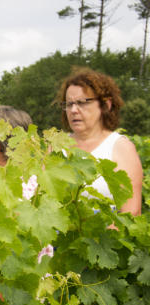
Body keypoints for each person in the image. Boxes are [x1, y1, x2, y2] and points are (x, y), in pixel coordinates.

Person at [56, 68, 143, 215]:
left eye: (82, 103)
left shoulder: (120, 148)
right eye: (69, 104)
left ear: (105, 105)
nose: (73, 110)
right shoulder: (57, 147)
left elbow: (131, 213)